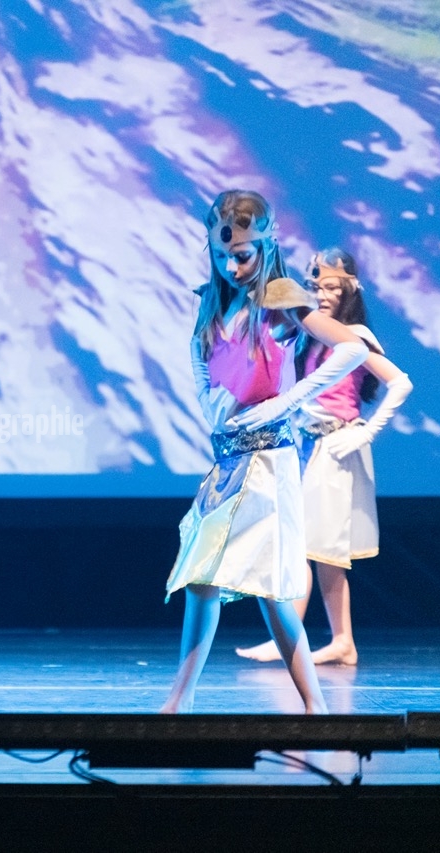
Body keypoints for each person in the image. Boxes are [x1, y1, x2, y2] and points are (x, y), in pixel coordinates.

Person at [160, 191, 369, 714]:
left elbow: (352, 349)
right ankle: (308, 706)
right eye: (221, 255)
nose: (231, 267)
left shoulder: (279, 297)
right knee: (243, 588)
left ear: (266, 245)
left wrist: (288, 402)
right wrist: (206, 394)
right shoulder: (215, 300)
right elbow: (204, 358)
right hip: (231, 459)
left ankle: (185, 701)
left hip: (268, 460)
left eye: (242, 255)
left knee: (231, 581)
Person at [235, 249, 412, 666]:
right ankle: (336, 641)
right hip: (307, 446)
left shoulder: (354, 336)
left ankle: (300, 640)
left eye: (332, 288)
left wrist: (368, 431)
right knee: (315, 550)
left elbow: (400, 383)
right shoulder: (312, 334)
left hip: (336, 447)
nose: (322, 295)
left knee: (312, 548)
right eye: (316, 287)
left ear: (350, 290)